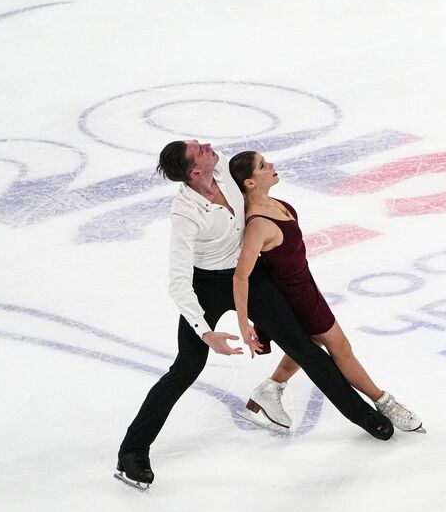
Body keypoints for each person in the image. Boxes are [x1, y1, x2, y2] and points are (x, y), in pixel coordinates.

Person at [115, 140, 395, 492]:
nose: (207, 145)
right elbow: (177, 283)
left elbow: (257, 186)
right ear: (194, 172)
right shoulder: (185, 215)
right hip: (205, 286)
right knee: (186, 368)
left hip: (251, 277)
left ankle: (365, 415)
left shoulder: (223, 170)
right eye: (199, 149)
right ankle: (132, 452)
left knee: (304, 347)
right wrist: (205, 332)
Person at [229, 150, 423, 434]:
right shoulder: (258, 223)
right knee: (340, 348)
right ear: (249, 182)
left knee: (309, 346)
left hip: (306, 285)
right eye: (262, 165)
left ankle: (269, 390)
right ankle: (385, 402)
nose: (270, 165)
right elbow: (241, 276)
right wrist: (243, 323)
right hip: (295, 296)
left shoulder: (276, 204)